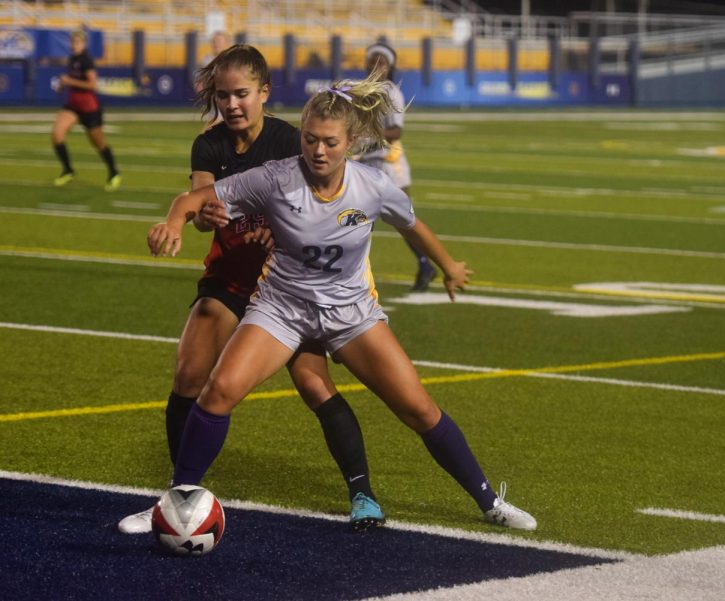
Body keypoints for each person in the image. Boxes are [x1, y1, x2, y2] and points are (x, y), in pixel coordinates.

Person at [146, 73, 537, 531]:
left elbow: (413, 225)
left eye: (329, 142)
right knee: (219, 391)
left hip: (351, 314)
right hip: (282, 309)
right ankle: (178, 500)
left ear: (349, 142)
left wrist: (448, 266)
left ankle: (490, 502)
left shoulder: (372, 185)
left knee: (418, 409)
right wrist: (175, 221)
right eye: (310, 139)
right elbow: (195, 197)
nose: (317, 151)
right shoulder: (276, 178)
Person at [119, 45, 383, 535]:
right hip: (231, 278)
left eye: (241, 93)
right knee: (189, 373)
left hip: (288, 289)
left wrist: (279, 231)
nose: (232, 104)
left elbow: (321, 208)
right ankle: (180, 498)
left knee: (313, 383)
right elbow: (202, 211)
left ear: (264, 92)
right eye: (223, 95)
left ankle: (362, 491)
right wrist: (199, 217)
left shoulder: (292, 140)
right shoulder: (209, 145)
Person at [355, 42, 436, 292]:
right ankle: (355, 274)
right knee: (358, 220)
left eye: (382, 62)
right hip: (368, 164)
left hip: (390, 166)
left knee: (404, 220)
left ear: (390, 67)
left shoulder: (391, 91)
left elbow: (396, 130)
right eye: (372, 61)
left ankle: (426, 264)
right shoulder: (364, 91)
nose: (376, 66)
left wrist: (367, 138)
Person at [51, 30, 121, 191]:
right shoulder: (72, 59)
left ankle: (114, 172)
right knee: (57, 134)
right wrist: (63, 84)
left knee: (98, 143)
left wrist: (69, 81)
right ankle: (68, 170)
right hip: (73, 106)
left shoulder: (86, 60)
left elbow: (92, 85)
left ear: (83, 43)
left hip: (89, 108)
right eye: (73, 41)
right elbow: (73, 81)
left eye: (77, 42)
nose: (74, 44)